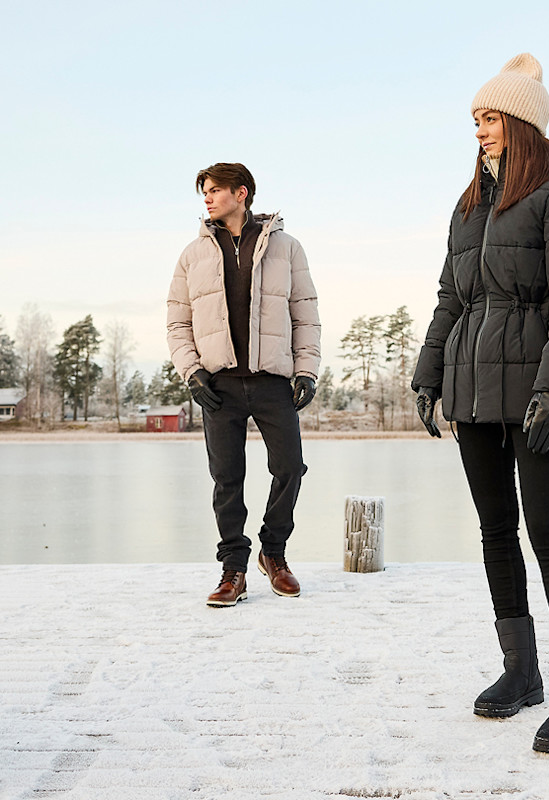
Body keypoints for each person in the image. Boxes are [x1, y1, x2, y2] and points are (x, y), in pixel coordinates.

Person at [412, 55, 549, 755]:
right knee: (497, 532)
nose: (479, 131)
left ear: (523, 122)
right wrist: (428, 372)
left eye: (490, 118)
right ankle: (519, 672)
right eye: (474, 120)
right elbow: (451, 298)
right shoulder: (470, 204)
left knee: (548, 531)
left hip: (537, 390)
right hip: (472, 388)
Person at [167, 162, 321, 607]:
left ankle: (274, 553)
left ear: (242, 193)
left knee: (290, 466)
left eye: (215, 191)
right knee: (226, 478)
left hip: (273, 380)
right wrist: (192, 373)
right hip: (217, 384)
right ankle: (233, 567)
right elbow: (177, 321)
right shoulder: (192, 254)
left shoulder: (286, 247)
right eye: (205, 193)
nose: (208, 200)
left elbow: (305, 312)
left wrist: (307, 371)